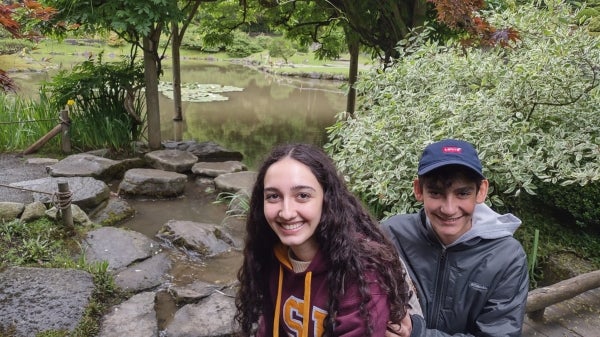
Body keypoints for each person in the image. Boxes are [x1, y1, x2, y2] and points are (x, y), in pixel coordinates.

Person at [234, 143, 411, 337]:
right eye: (273, 196)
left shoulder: (361, 272)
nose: (286, 212)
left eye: (302, 195)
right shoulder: (269, 256)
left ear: (326, 199)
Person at [383, 139, 529, 337]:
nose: (449, 209)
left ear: (481, 190)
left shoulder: (507, 258)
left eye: (462, 193)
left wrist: (417, 333)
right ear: (418, 190)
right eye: (435, 192)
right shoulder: (392, 234)